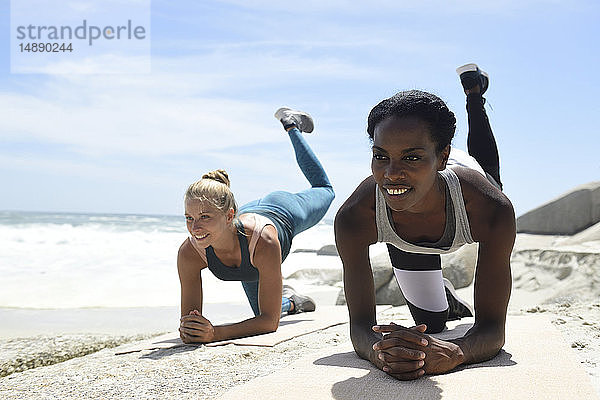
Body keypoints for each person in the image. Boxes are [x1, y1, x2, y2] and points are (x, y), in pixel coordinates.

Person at [334, 63, 515, 380]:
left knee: (488, 167)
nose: (391, 173)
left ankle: (474, 95)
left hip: (468, 180)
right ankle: (446, 297)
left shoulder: (490, 209)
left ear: (442, 157)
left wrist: (458, 352)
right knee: (431, 324)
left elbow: (492, 329)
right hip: (410, 239)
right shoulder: (356, 217)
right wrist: (383, 353)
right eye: (380, 156)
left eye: (411, 157)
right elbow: (360, 328)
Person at [177, 108, 334, 344]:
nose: (195, 228)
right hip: (244, 232)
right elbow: (189, 323)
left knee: (325, 190)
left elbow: (270, 323)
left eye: (205, 217)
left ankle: (291, 125)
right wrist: (193, 329)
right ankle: (292, 301)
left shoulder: (263, 242)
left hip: (282, 211)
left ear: (230, 215)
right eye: (189, 218)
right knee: (259, 314)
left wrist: (215, 333)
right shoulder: (190, 252)